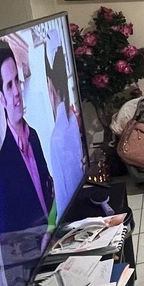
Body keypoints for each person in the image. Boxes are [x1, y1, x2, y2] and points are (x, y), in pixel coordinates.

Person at [0, 39, 55, 240]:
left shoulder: (33, 136)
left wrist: (53, 227)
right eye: (9, 85)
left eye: (17, 81)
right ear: (1, 97)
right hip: (34, 256)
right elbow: (8, 241)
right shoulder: (1, 168)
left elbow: (49, 192)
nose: (17, 91)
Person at [46, 43, 85, 219]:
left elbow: (62, 196)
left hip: (70, 213)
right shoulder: (71, 120)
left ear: (51, 88)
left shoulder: (57, 137)